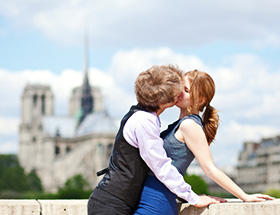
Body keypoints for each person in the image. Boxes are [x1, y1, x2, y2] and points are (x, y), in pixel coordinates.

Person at [134, 69, 275, 215]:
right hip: (151, 196)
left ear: (200, 100)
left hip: (155, 200)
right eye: (180, 87)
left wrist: (244, 196)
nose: (179, 92)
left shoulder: (189, 126)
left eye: (186, 90)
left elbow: (209, 169)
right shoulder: (182, 124)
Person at [87, 65, 222, 215]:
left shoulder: (143, 116)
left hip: (116, 201)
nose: (179, 94)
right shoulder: (144, 121)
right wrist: (193, 198)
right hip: (112, 203)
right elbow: (161, 166)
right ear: (166, 99)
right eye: (178, 90)